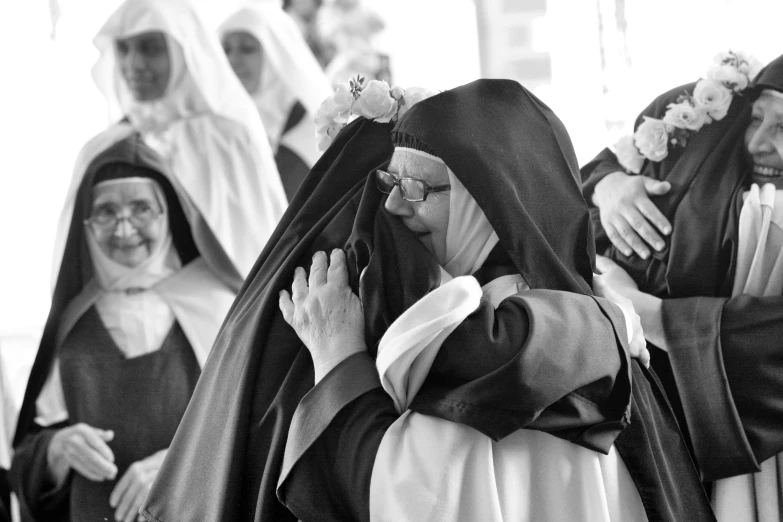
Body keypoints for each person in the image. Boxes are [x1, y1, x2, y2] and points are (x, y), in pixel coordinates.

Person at [141, 79, 713, 521]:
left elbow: (402, 499)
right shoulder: (581, 309)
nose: (392, 209)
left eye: (417, 189)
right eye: (391, 186)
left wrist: (336, 357)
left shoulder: (512, 337)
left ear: (493, 198)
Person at [582, 53, 783, 521]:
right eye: (756, 117)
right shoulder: (721, 180)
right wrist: (609, 184)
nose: (757, 143)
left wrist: (639, 308)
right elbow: (593, 174)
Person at [9, 135, 241, 522]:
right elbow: (25, 460)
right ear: (85, 225)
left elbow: (261, 431)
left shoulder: (219, 307)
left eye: (141, 209)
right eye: (105, 212)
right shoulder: (73, 324)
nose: (123, 228)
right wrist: (57, 449)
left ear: (168, 214)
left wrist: (181, 465)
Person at [54, 0, 288, 282]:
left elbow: (257, 251)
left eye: (150, 48)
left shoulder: (229, 139)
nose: (133, 64)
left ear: (183, 50)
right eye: (124, 49)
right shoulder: (104, 147)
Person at [219, 1, 333, 200]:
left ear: (276, 55)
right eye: (226, 49)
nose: (232, 60)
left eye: (247, 49)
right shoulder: (228, 116)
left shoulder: (313, 124)